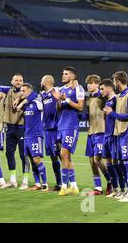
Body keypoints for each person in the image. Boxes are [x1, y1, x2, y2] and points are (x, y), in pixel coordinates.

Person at [104, 71, 128, 203]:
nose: (113, 83)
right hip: (121, 133)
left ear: (118, 81)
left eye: (114, 81)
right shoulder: (121, 96)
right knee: (123, 163)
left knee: (127, 162)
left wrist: (112, 114)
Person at [52, 67, 85, 196]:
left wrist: (66, 99)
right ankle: (74, 186)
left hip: (71, 126)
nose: (63, 75)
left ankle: (64, 186)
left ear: (72, 76)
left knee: (64, 154)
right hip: (61, 126)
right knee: (65, 157)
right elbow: (59, 108)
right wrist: (59, 100)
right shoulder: (61, 89)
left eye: (65, 74)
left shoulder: (78, 88)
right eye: (62, 73)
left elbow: (80, 107)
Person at [17, 83, 48, 191]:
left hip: (36, 135)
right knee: (30, 159)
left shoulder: (37, 102)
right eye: (21, 90)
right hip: (27, 135)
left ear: (29, 91)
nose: (21, 92)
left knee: (37, 159)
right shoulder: (26, 105)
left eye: (24, 90)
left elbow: (35, 95)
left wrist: (21, 103)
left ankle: (45, 184)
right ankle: (37, 183)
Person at [85, 74, 112, 195]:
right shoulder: (89, 99)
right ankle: (98, 188)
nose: (88, 85)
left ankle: (110, 181)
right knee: (91, 161)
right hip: (91, 133)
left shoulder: (103, 98)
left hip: (101, 132)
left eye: (91, 83)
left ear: (97, 84)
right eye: (88, 83)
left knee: (97, 160)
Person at [3, 74, 30, 189]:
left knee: (23, 155)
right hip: (10, 127)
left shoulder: (26, 93)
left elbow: (33, 95)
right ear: (12, 81)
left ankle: (25, 180)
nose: (18, 82)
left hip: (21, 127)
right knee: (9, 153)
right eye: (16, 80)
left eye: (21, 80)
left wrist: (20, 99)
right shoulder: (7, 92)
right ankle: (13, 180)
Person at [39, 75, 62, 191]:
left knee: (62, 156)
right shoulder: (42, 95)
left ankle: (69, 183)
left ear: (46, 82)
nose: (40, 82)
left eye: (42, 80)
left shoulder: (56, 91)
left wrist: (58, 99)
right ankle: (59, 183)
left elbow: (60, 106)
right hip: (47, 129)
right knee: (53, 157)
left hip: (56, 129)